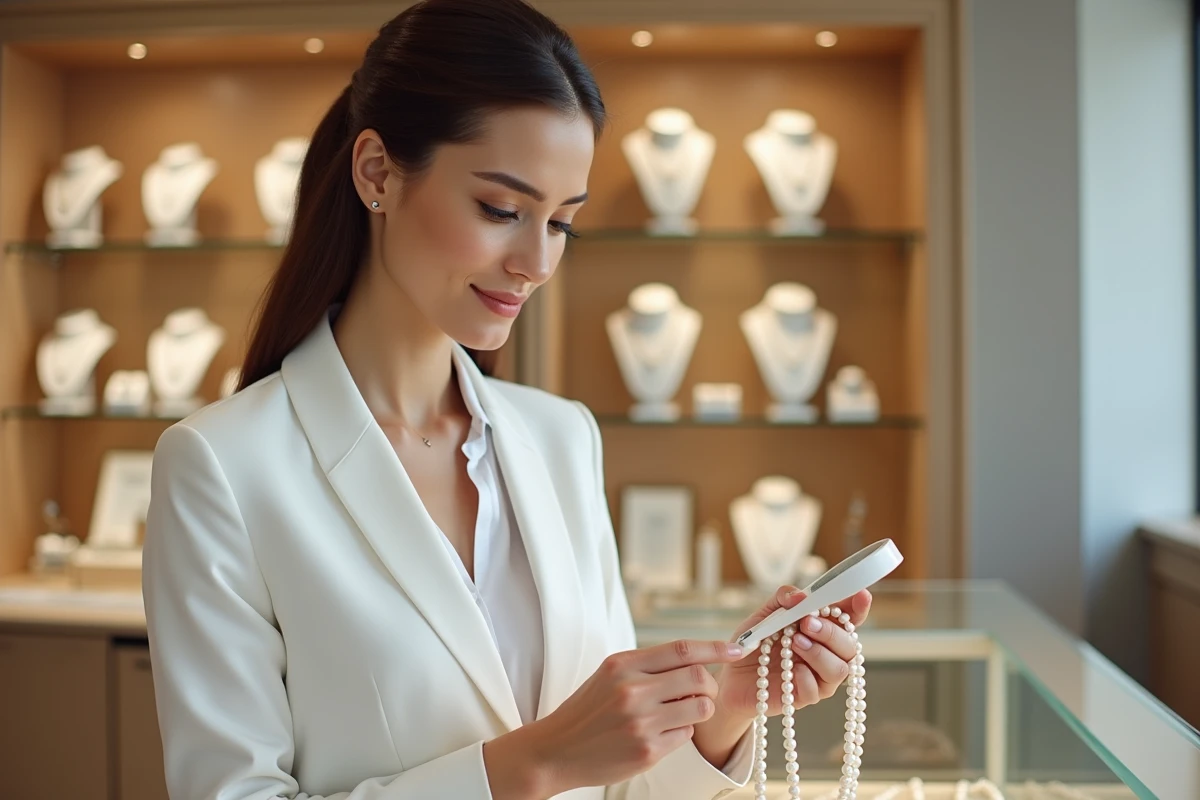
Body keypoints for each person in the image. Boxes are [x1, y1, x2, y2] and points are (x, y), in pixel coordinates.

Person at [141, 1, 872, 798]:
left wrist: (721, 711)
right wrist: (532, 764)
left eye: (562, 223)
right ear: (377, 173)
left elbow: (618, 784)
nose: (535, 262)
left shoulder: (561, 438)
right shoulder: (222, 465)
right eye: (501, 210)